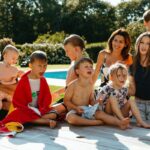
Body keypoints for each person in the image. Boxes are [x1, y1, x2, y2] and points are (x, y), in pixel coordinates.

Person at [0, 51, 57, 133]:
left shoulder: (43, 80)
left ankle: (34, 120)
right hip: (26, 109)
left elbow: (46, 97)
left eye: (45, 66)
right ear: (31, 66)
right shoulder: (24, 81)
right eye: (39, 66)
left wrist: (42, 108)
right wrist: (29, 109)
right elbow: (18, 101)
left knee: (53, 114)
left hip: (39, 109)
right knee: (18, 114)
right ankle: (44, 121)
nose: (43, 69)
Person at [64, 58, 130, 129]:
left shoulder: (90, 85)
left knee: (100, 113)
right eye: (86, 67)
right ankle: (95, 122)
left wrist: (96, 103)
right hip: (74, 110)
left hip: (87, 110)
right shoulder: (72, 85)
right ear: (77, 71)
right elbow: (66, 101)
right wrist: (76, 108)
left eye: (91, 67)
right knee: (70, 118)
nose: (89, 68)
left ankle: (119, 123)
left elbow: (91, 100)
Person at [96, 62, 150, 128]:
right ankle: (122, 121)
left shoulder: (124, 89)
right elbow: (98, 104)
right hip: (109, 114)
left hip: (120, 112)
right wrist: (99, 102)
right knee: (112, 96)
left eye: (124, 75)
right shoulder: (106, 88)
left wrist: (132, 98)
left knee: (131, 99)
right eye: (119, 75)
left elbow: (128, 101)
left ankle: (140, 121)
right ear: (111, 77)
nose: (122, 78)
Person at [53, 34, 86, 114]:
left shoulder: (83, 65)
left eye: (67, 51)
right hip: (68, 100)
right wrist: (58, 92)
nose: (66, 54)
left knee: (48, 111)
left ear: (77, 49)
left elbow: (81, 86)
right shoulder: (74, 62)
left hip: (74, 102)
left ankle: (62, 114)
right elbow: (70, 85)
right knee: (46, 109)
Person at [130, 32, 150, 119]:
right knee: (138, 129)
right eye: (142, 42)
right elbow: (132, 90)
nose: (144, 46)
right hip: (138, 104)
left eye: (148, 43)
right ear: (138, 44)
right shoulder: (132, 63)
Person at [0, 44, 23, 110]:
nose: (15, 61)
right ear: (5, 55)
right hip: (1, 91)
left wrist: (21, 73)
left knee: (16, 103)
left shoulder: (14, 69)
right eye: (13, 58)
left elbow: (22, 74)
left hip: (9, 92)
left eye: (16, 59)